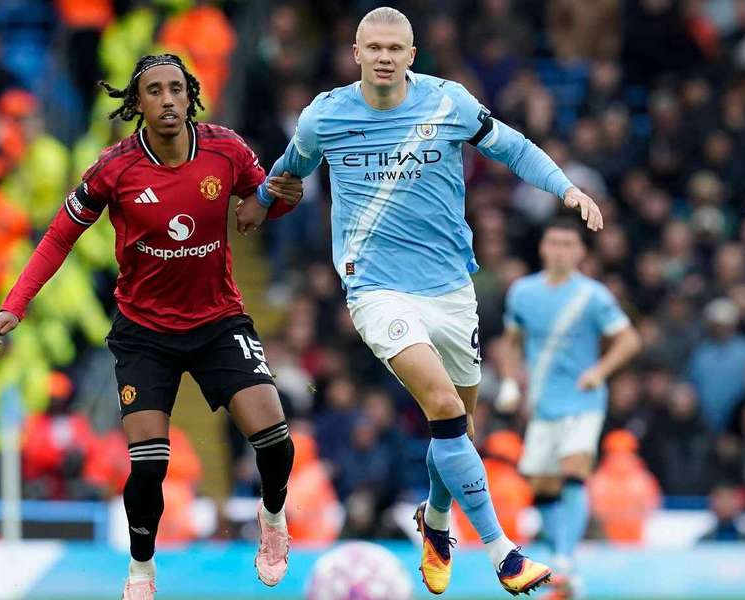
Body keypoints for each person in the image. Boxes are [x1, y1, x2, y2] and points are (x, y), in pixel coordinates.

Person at [239, 6, 604, 596]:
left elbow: (511, 148)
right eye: (373, 47)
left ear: (412, 55)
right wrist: (257, 200)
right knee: (441, 403)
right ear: (356, 52)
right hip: (376, 289)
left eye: (396, 48)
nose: (384, 57)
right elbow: (289, 171)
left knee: (456, 425)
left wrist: (565, 187)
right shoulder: (325, 116)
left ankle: (434, 521)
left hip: (452, 288)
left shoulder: (448, 103)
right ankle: (502, 552)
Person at [0, 54, 303, 600]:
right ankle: (141, 569)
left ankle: (272, 519)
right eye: (155, 90)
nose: (168, 99)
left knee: (275, 439)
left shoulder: (225, 147)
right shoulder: (115, 168)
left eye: (177, 88)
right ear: (138, 104)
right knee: (150, 466)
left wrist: (273, 205)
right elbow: (60, 236)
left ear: (190, 96)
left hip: (218, 320)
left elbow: (264, 197)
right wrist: (17, 303)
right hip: (144, 332)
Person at [497, 219, 642, 599]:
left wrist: (600, 370)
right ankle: (563, 569)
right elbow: (512, 342)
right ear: (543, 248)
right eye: (554, 242)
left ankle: (563, 560)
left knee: (573, 468)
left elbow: (628, 339)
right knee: (542, 484)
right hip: (543, 404)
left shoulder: (593, 296)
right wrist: (512, 382)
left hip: (583, 400)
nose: (560, 249)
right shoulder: (523, 293)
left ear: (580, 252)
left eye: (568, 244)